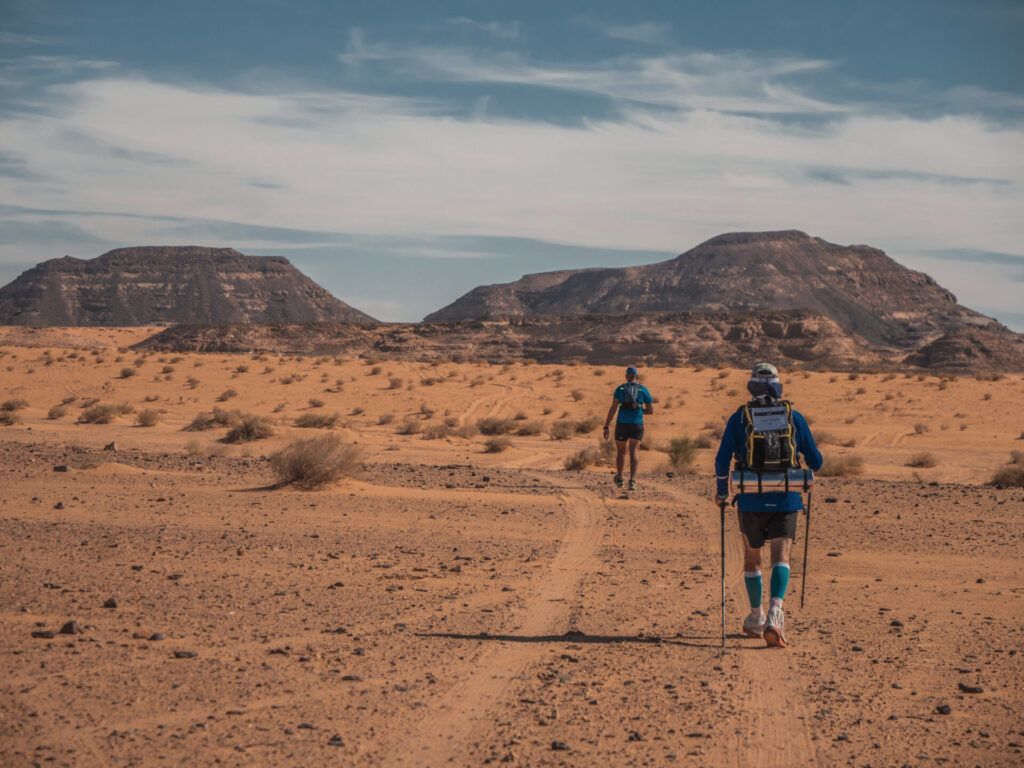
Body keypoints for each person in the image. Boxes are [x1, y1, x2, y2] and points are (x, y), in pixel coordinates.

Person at [714, 362, 822, 648]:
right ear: (777, 386)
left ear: (751, 386)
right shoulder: (793, 417)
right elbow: (817, 462)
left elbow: (721, 460)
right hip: (787, 498)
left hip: (750, 498)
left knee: (753, 557)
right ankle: (776, 613)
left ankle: (755, 616)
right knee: (781, 557)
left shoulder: (739, 419)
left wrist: (721, 493)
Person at [602, 365, 653, 491]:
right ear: (637, 377)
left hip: (622, 424)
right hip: (637, 424)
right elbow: (651, 411)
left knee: (621, 452)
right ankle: (632, 481)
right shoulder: (643, 389)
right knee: (634, 451)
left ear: (626, 376)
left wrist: (606, 426)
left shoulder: (620, 389)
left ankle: (619, 479)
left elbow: (613, 408)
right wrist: (640, 411)